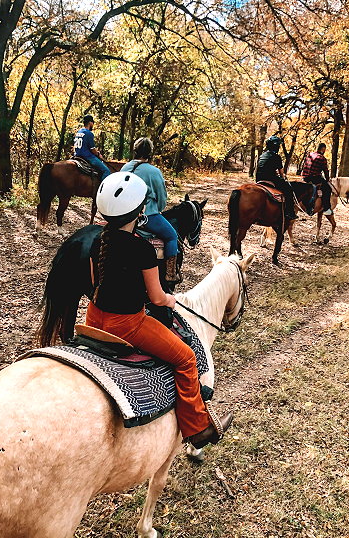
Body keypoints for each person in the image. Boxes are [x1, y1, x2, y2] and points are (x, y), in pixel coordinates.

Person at [86, 171, 233, 448]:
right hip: (128, 325)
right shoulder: (142, 249)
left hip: (92, 318)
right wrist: (170, 300)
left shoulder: (97, 241)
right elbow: (156, 298)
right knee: (186, 358)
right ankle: (198, 429)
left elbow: (95, 282)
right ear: (140, 211)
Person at [121, 138, 180, 282]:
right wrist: (157, 208)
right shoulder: (154, 172)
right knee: (172, 236)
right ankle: (170, 274)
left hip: (122, 214)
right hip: (146, 217)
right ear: (150, 153)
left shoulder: (125, 168)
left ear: (134, 151)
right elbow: (162, 200)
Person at [255, 135, 298, 220]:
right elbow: (281, 173)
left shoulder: (262, 155)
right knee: (289, 190)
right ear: (276, 146)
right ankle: (289, 213)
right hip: (270, 179)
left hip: (259, 178)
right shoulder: (276, 157)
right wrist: (283, 178)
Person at [73, 115, 111, 180]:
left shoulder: (79, 132)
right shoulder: (89, 133)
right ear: (90, 123)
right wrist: (98, 154)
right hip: (87, 157)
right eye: (93, 123)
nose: (93, 125)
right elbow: (92, 149)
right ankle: (101, 186)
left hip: (76, 155)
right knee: (106, 171)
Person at [302, 143, 333, 215]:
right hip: (314, 178)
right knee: (328, 189)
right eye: (324, 150)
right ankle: (326, 208)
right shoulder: (322, 158)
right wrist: (327, 179)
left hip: (305, 177)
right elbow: (325, 170)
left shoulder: (310, 154)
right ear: (323, 149)